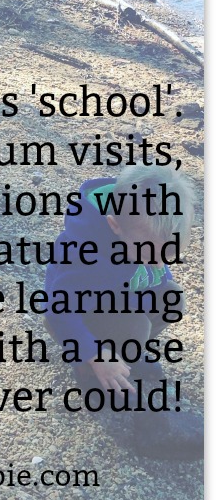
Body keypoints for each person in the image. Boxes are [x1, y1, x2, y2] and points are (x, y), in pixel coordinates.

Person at [44, 163, 202, 460]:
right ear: (114, 224)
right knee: (134, 328)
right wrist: (93, 353)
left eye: (167, 254)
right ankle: (91, 372)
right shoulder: (84, 248)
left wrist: (157, 271)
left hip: (118, 295)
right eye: (148, 253)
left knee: (171, 298)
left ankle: (126, 356)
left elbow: (154, 270)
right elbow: (57, 310)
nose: (157, 262)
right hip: (77, 317)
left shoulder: (142, 233)